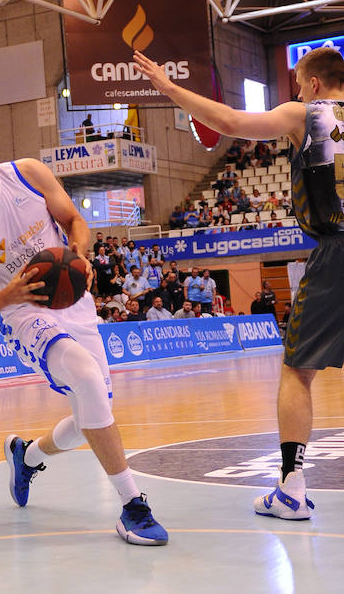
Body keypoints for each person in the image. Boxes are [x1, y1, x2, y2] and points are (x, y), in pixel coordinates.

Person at [0, 119, 167, 547]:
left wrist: (79, 251)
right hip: (19, 311)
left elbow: (74, 219)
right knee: (87, 378)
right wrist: (6, 297)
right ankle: (134, 506)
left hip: (73, 301)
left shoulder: (27, 173)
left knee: (87, 418)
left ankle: (26, 456)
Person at [134, 43, 344, 521]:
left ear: (312, 84)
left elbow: (228, 123)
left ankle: (291, 487)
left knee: (297, 371)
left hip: (337, 249)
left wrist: (168, 88)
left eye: (297, 85)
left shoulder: (306, 112)